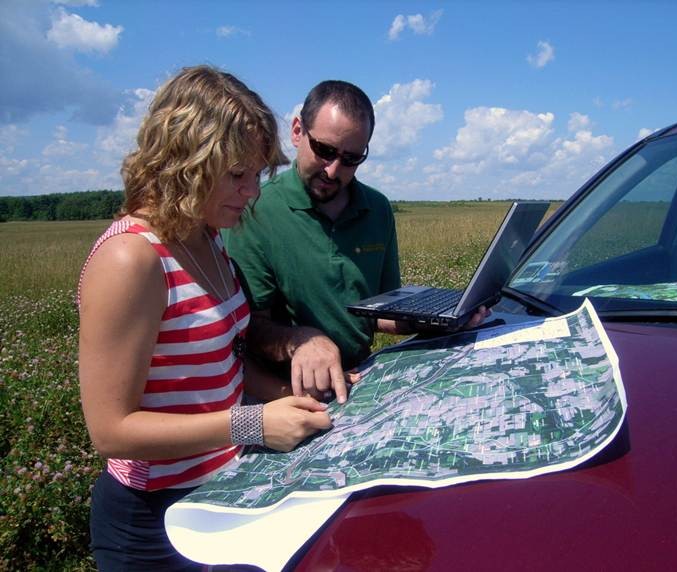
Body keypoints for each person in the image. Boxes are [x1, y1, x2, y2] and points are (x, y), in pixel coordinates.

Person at [77, 65, 332, 571]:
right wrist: (252, 425)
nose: (253, 191)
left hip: (218, 489)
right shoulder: (132, 259)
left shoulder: (207, 238)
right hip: (151, 522)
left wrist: (297, 398)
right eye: (237, 174)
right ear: (184, 162)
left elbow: (221, 367)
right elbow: (110, 430)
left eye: (257, 175)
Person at [224, 80, 489, 405]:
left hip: (360, 383)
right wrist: (299, 340)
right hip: (284, 397)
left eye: (351, 158)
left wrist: (440, 321)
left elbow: (380, 314)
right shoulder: (255, 210)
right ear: (297, 131)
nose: (334, 170)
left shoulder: (377, 208)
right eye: (324, 151)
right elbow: (245, 332)